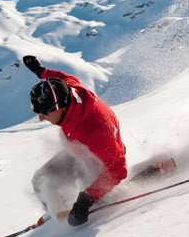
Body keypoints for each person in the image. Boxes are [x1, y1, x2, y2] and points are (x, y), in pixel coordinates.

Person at [22, 55, 127, 226]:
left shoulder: (95, 131)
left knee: (99, 196)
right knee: (41, 180)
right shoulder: (69, 90)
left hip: (103, 159)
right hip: (80, 152)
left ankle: (108, 197)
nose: (42, 118)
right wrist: (40, 71)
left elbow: (117, 170)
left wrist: (86, 199)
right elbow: (60, 78)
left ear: (59, 108)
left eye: (45, 113)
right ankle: (58, 210)